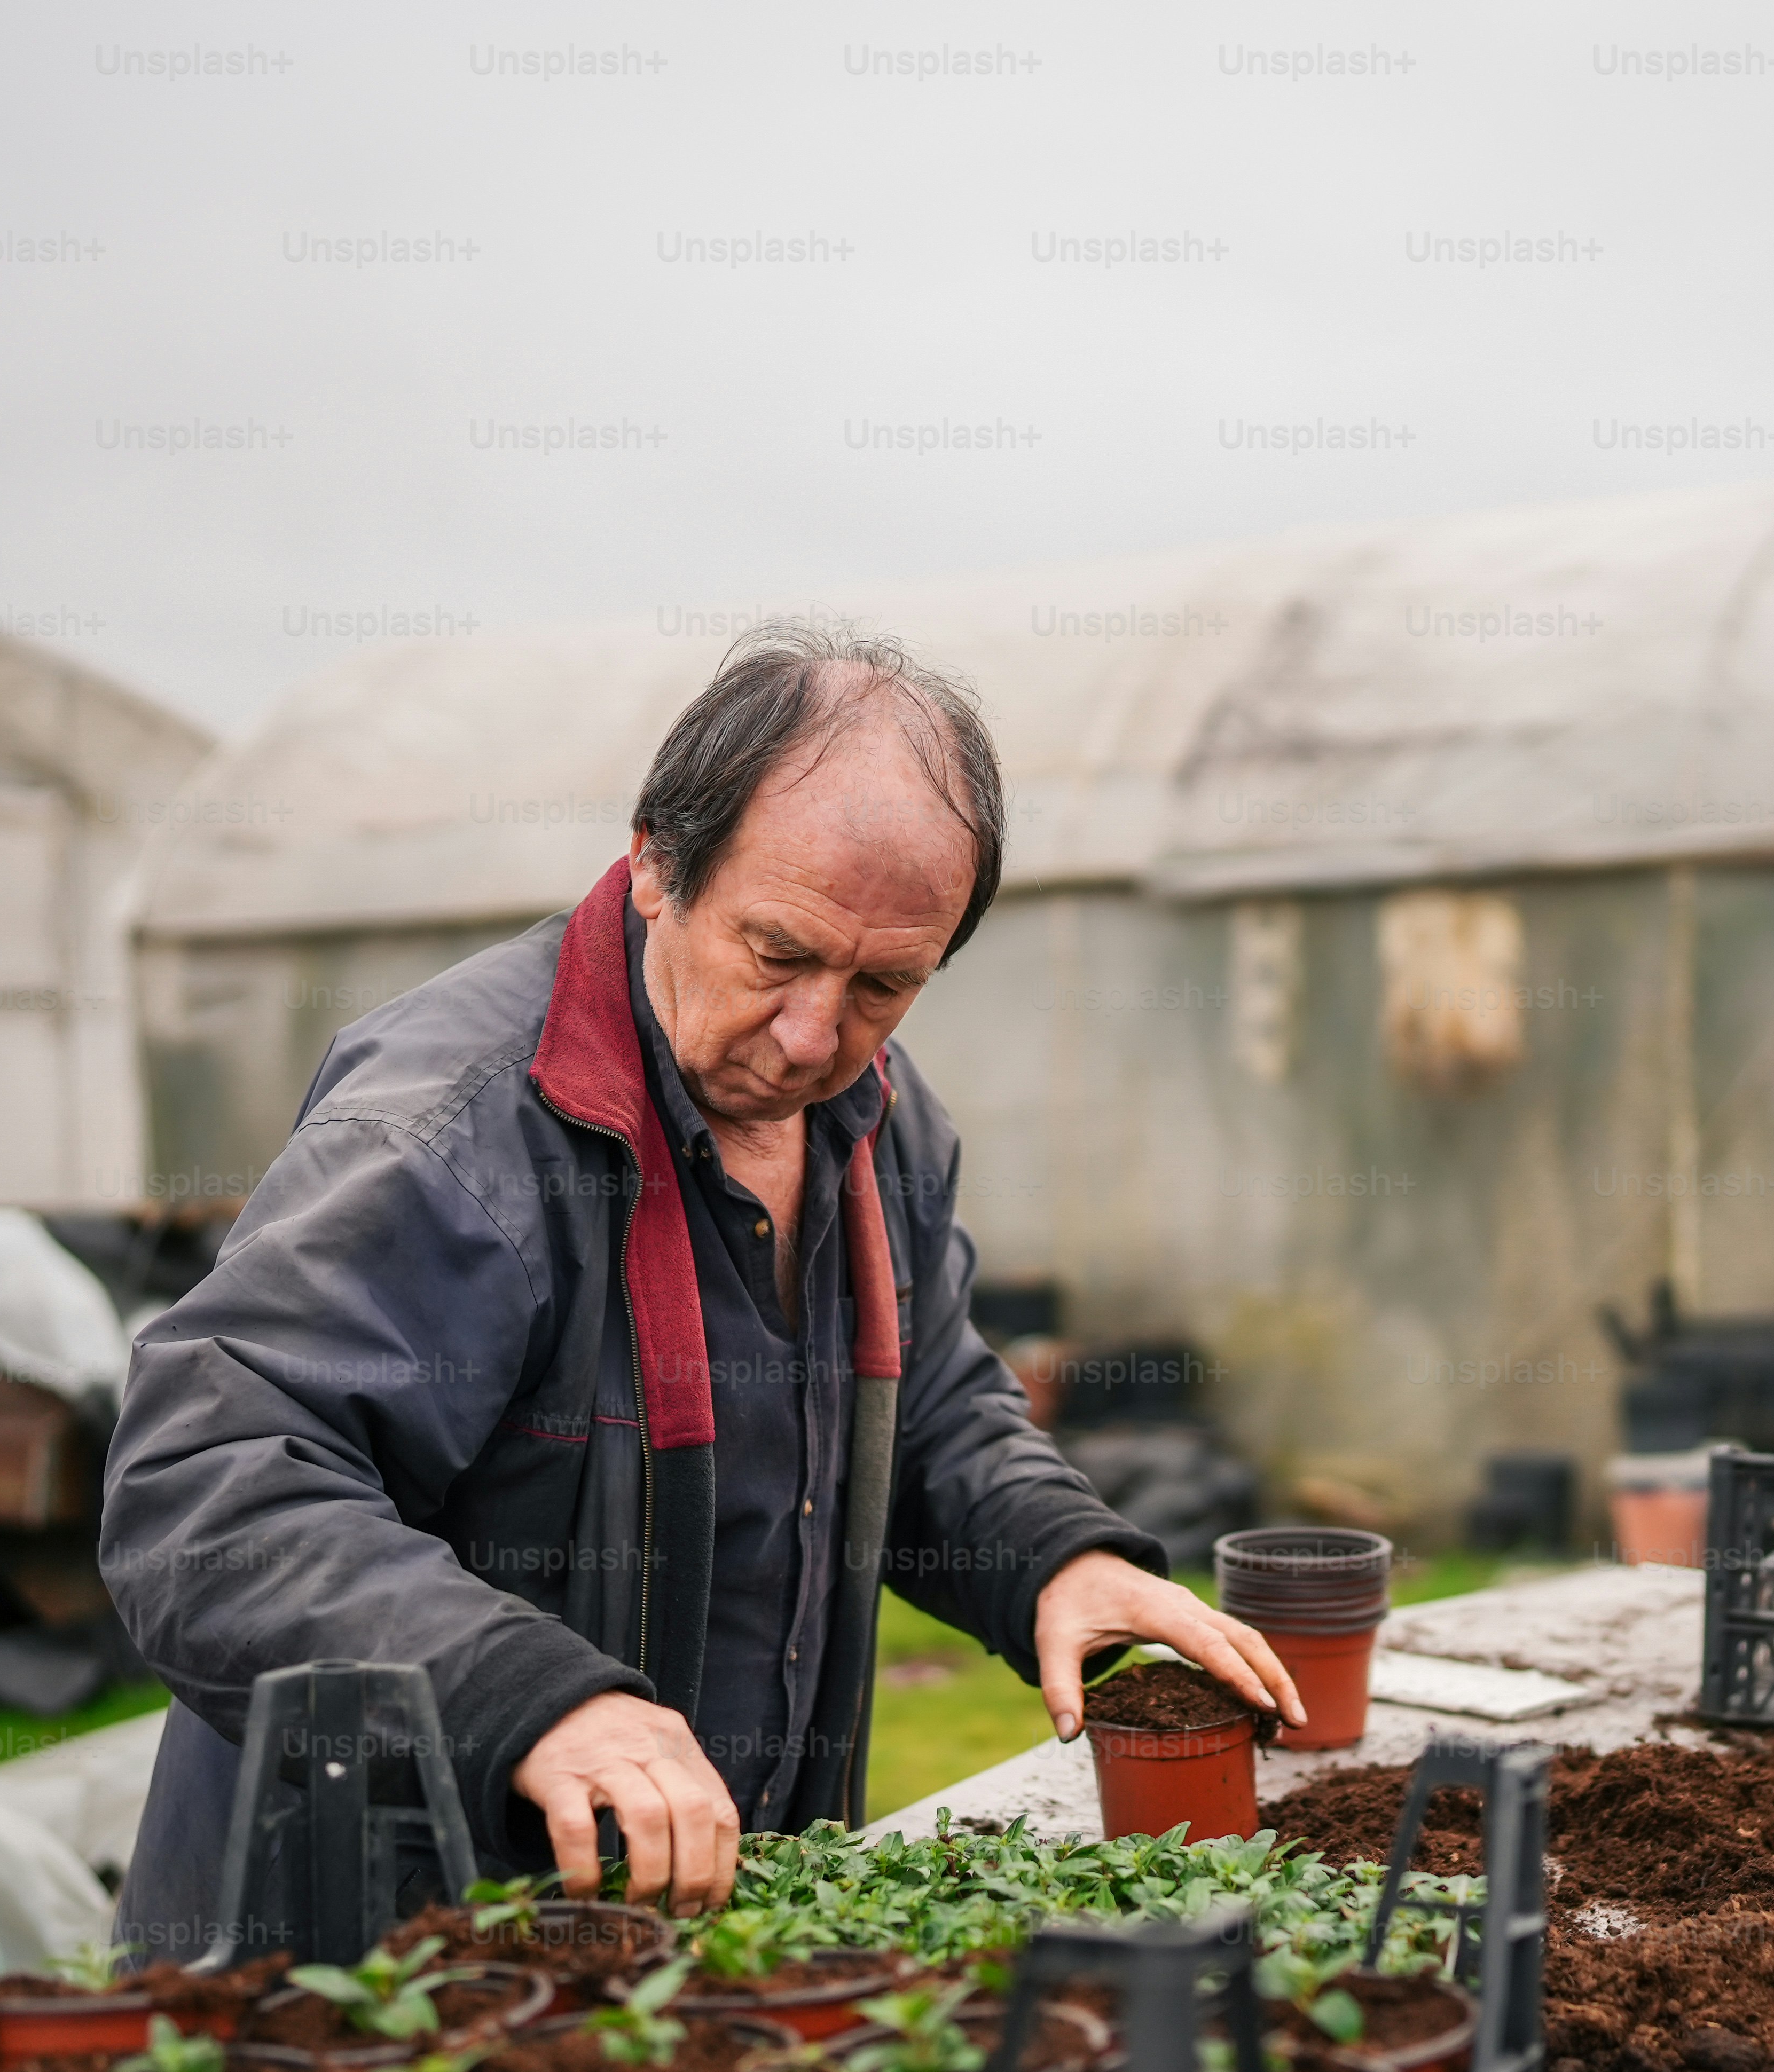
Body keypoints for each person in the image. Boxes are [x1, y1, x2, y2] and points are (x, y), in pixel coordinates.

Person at [98, 622, 1297, 1940]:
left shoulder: (880, 1123)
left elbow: (931, 1406)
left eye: (885, 984)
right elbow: (210, 1485)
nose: (812, 1037)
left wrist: (1056, 1558)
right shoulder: (461, 1132)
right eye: (778, 953)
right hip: (369, 1955)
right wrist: (535, 1695)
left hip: (688, 1949)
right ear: (656, 861)